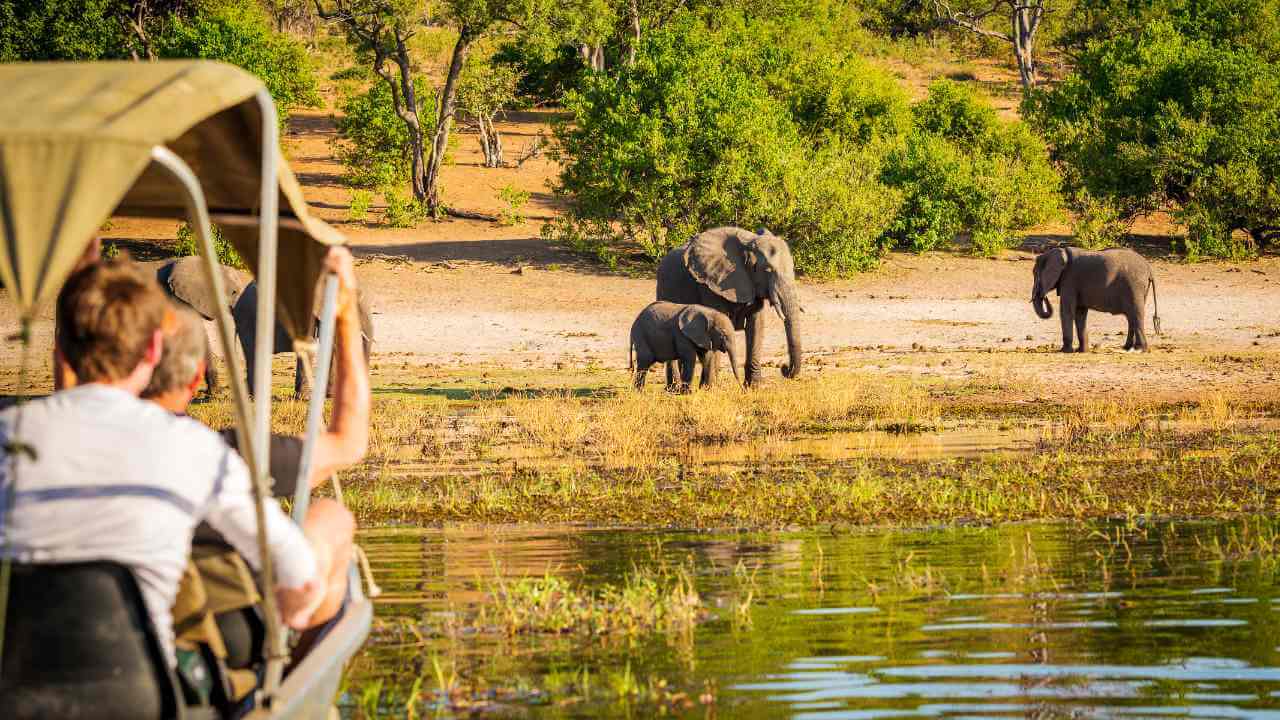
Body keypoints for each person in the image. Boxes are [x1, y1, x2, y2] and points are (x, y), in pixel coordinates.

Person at [0, 258, 344, 667]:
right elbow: (300, 575)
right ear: (152, 350)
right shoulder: (192, 446)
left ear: (59, 350)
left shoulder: (8, 433)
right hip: (142, 689)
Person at [142, 247, 368, 673]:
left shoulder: (23, 443)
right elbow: (349, 443)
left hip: (51, 665)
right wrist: (347, 314)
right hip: (198, 658)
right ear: (196, 378)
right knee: (331, 518)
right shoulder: (215, 456)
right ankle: (291, 678)